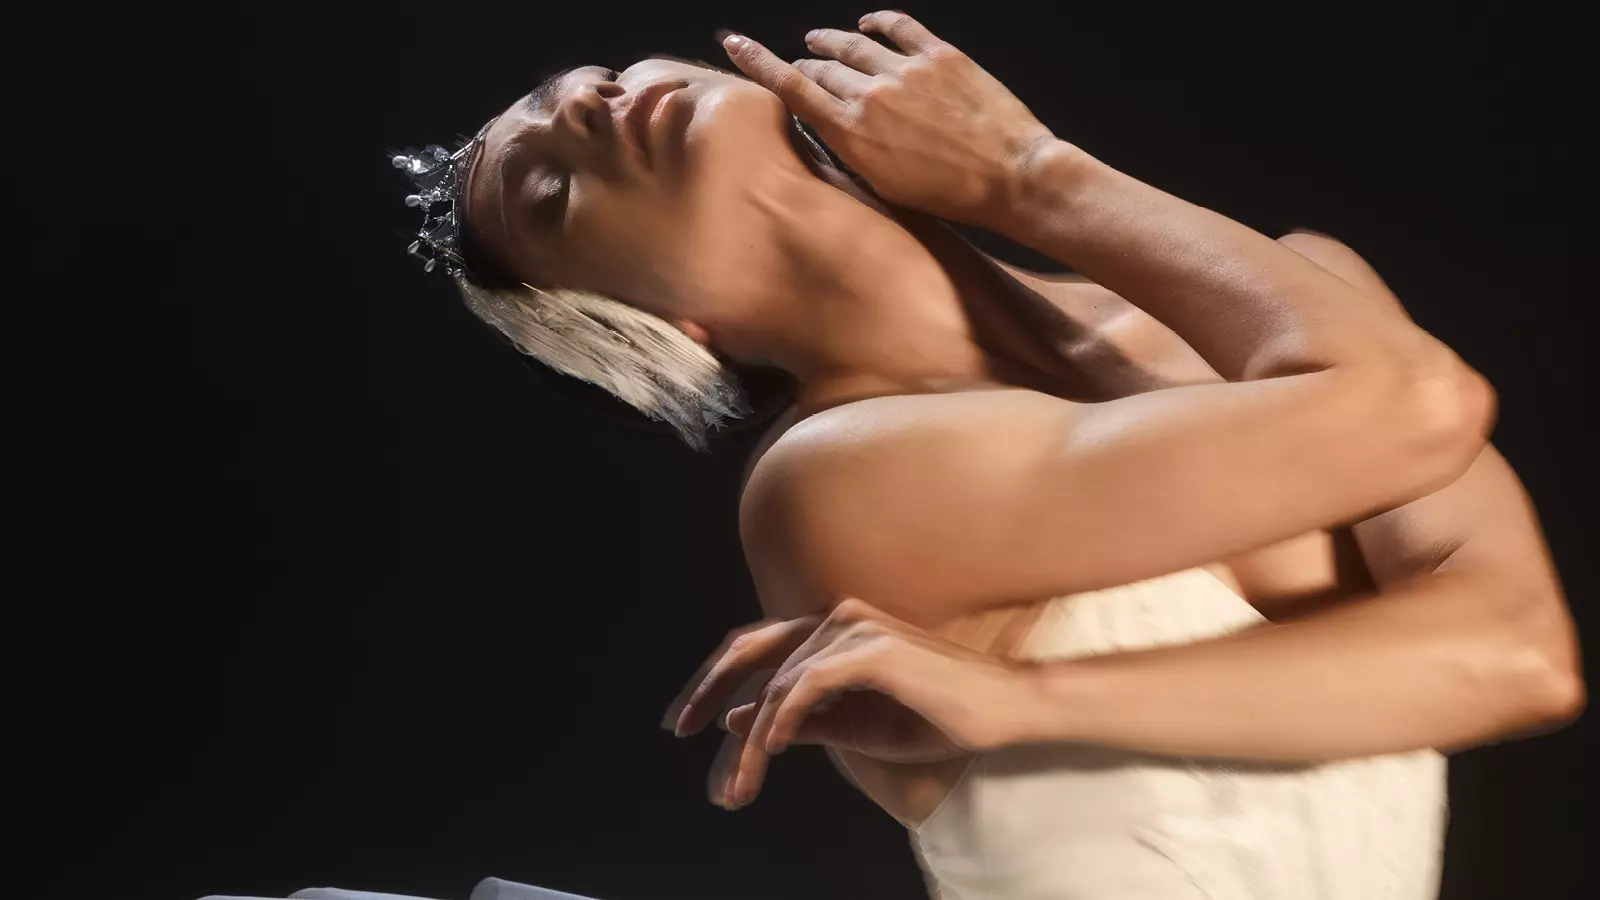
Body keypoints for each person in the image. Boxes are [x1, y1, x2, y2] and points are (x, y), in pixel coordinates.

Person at [391, 11, 1583, 898]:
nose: (589, 111)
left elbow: (1523, 658)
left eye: (591, 80)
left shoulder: (1300, 299)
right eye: (551, 189)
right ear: (659, 328)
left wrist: (1029, 700)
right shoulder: (838, 478)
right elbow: (1417, 407)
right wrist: (1027, 175)